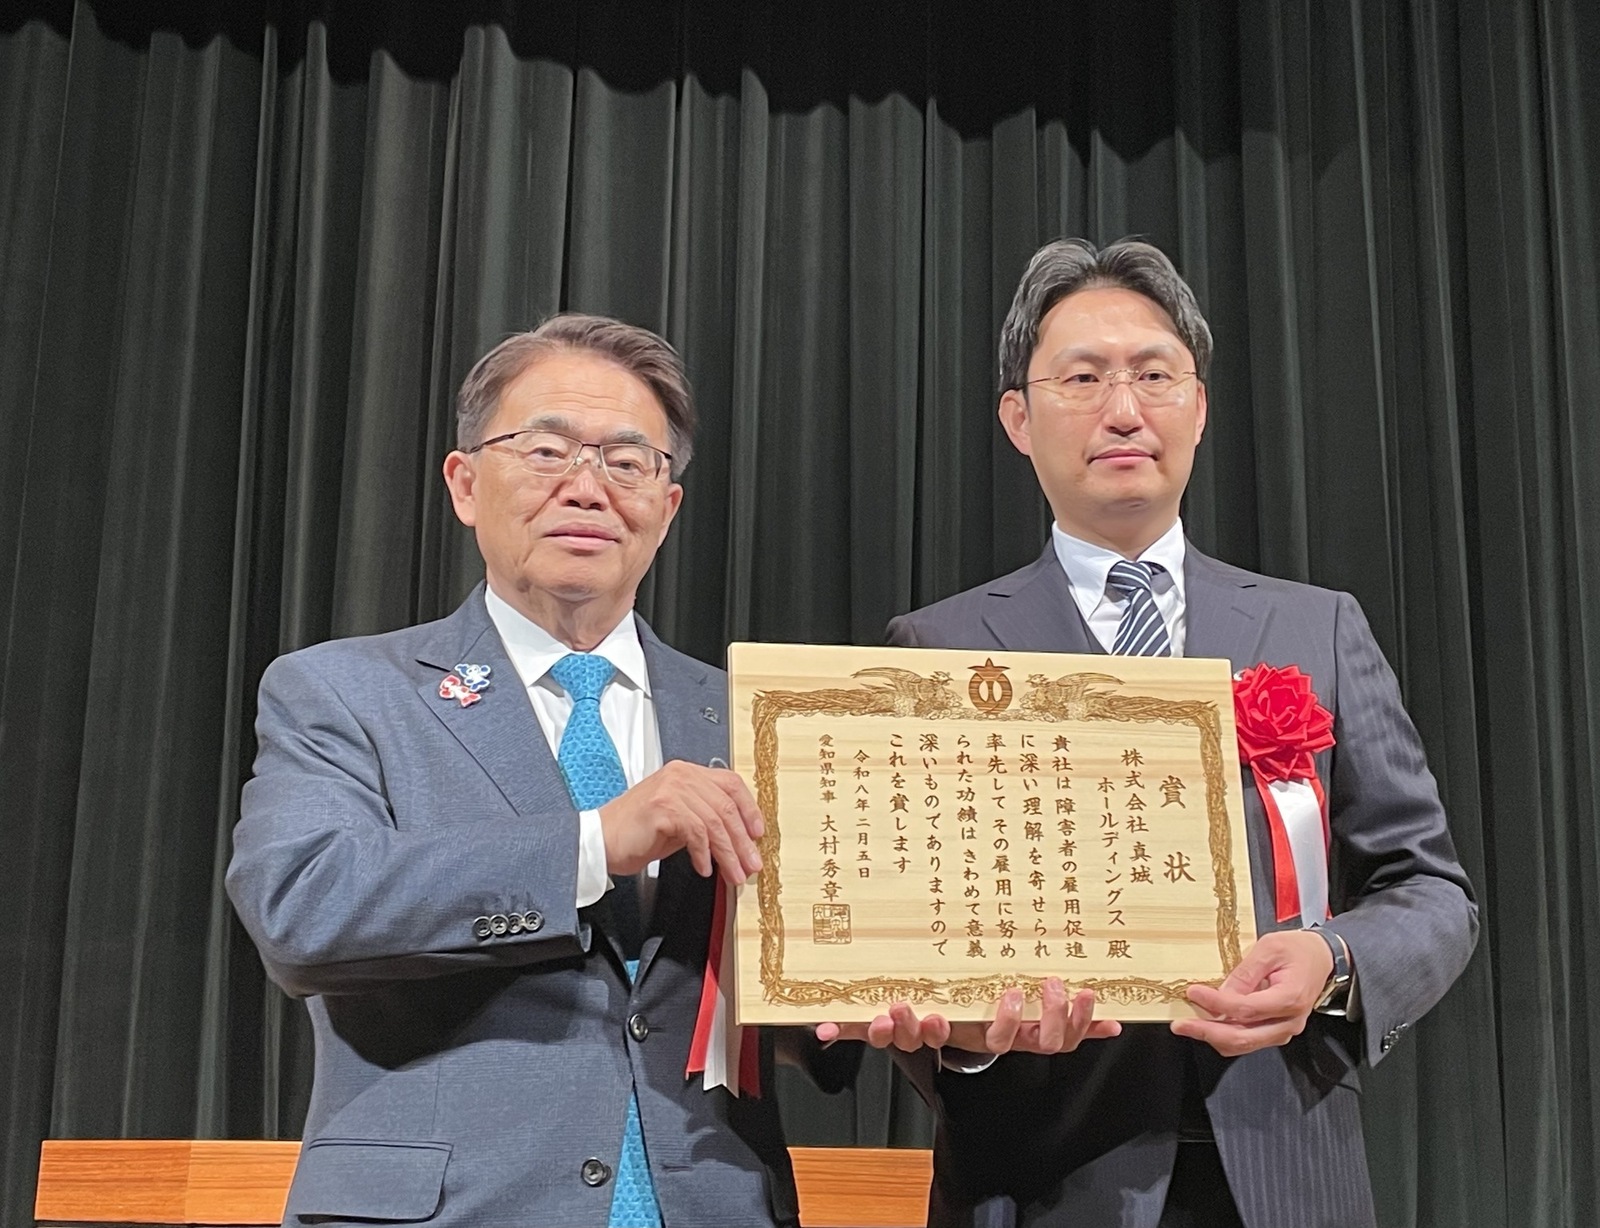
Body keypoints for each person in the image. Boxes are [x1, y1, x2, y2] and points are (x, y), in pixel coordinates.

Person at [829, 239, 1478, 1228]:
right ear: (1018, 418)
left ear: (1199, 406)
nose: (1123, 410)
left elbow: (1429, 886)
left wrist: (1333, 959)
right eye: (1083, 378)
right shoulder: (939, 647)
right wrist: (968, 1040)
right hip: (1039, 1174)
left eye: (1153, 375)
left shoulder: (1316, 629)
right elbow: (909, 942)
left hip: (1286, 1170)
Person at [227, 314, 808, 1227]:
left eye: (627, 461)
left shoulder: (756, 718)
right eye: (546, 451)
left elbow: (809, 1000)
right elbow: (303, 906)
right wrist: (594, 842)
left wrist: (938, 1023)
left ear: (667, 506)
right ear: (464, 484)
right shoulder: (344, 691)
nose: (587, 486)